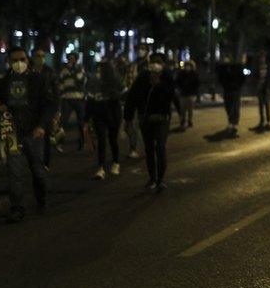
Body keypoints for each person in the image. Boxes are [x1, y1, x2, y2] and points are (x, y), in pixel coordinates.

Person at [0, 47, 55, 223]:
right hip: (12, 132)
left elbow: (50, 105)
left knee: (38, 171)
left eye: (21, 59)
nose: (18, 63)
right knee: (14, 171)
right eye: (14, 60)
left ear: (27, 60)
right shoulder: (4, 82)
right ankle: (17, 208)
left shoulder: (38, 80)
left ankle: (41, 199)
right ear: (9, 62)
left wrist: (42, 126)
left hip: (34, 132)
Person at [124, 55, 175, 193]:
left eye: (158, 63)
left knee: (160, 147)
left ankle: (160, 180)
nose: (155, 66)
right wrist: (128, 117)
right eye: (153, 63)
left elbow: (171, 95)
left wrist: (160, 85)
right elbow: (132, 97)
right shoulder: (143, 77)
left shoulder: (167, 76)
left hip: (162, 118)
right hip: (145, 118)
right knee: (149, 149)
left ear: (163, 64)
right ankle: (152, 178)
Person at [84, 60, 124, 180]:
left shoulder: (115, 81)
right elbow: (90, 101)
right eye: (97, 69)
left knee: (112, 140)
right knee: (101, 140)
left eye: (100, 70)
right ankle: (100, 167)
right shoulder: (93, 82)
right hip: (99, 115)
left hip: (113, 114)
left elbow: (122, 95)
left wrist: (111, 95)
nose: (98, 72)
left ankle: (116, 162)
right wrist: (86, 118)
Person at [30, 47, 59, 169]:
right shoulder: (29, 70)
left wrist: (57, 110)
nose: (40, 58)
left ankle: (45, 163)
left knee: (45, 136)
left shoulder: (49, 71)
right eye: (37, 56)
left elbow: (56, 92)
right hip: (31, 108)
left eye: (42, 56)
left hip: (46, 107)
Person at [57, 52, 87, 151]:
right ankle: (60, 143)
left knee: (81, 122)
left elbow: (81, 80)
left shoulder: (80, 68)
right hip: (67, 98)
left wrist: (73, 70)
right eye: (70, 58)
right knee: (63, 122)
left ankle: (82, 143)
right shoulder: (64, 70)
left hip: (78, 98)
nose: (71, 60)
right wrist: (61, 93)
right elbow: (60, 82)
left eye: (73, 58)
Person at [216, 56, 245, 134]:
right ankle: (231, 122)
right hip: (227, 90)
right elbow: (220, 77)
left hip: (235, 90)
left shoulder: (237, 67)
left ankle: (233, 123)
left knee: (235, 107)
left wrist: (238, 86)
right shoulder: (223, 68)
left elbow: (242, 78)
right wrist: (224, 85)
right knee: (228, 107)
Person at [175, 60, 201, 130]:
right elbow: (177, 82)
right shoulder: (181, 74)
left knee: (190, 109)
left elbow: (197, 84)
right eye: (187, 65)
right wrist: (179, 89)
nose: (188, 67)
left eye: (189, 66)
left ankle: (190, 120)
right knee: (182, 109)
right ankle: (183, 121)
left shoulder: (194, 74)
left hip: (191, 94)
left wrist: (195, 92)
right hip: (183, 94)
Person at [252, 52, 270, 131]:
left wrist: (269, 85)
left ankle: (268, 122)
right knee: (261, 105)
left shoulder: (268, 66)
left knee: (267, 105)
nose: (262, 59)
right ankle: (262, 121)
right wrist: (256, 83)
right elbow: (254, 76)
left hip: (266, 87)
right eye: (261, 57)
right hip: (260, 87)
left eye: (263, 57)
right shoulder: (257, 67)